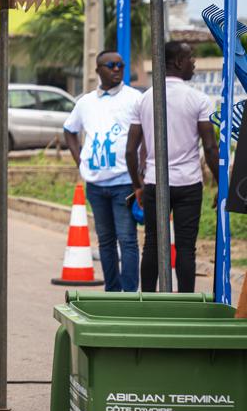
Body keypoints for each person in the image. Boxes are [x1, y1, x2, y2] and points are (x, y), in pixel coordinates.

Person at [125, 41, 220, 293]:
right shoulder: (198, 99)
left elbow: (129, 151)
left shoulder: (145, 99)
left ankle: (146, 300)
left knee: (153, 245)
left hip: (155, 184)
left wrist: (137, 186)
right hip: (189, 184)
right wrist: (222, 184)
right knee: (187, 247)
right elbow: (210, 148)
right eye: (191, 58)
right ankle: (186, 303)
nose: (194, 63)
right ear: (178, 62)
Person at [63, 51, 142, 292]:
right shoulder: (86, 102)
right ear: (98, 70)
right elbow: (69, 130)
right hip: (96, 184)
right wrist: (80, 162)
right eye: (111, 65)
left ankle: (129, 295)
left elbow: (148, 134)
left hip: (124, 182)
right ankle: (112, 291)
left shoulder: (134, 98)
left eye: (120, 65)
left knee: (127, 239)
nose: (117, 69)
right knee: (106, 241)